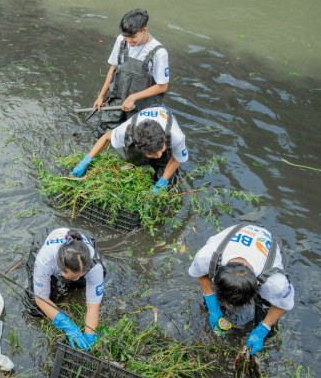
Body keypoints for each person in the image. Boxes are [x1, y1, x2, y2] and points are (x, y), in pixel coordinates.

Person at [188, 223, 295, 356]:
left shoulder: (275, 283)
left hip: (268, 244)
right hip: (239, 231)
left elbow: (283, 304)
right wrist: (212, 305)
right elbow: (201, 274)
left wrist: (263, 329)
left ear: (257, 286)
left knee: (268, 325)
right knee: (211, 301)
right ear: (215, 279)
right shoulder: (206, 257)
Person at [70, 105, 188, 193]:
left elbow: (177, 158)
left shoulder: (176, 136)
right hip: (141, 121)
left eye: (161, 150)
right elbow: (106, 137)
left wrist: (162, 182)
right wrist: (86, 160)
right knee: (128, 158)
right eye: (153, 154)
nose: (158, 155)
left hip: (163, 117)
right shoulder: (125, 131)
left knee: (169, 182)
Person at [92, 9, 169, 139]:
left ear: (144, 30)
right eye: (126, 37)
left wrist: (133, 97)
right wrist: (101, 96)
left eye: (133, 37)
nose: (129, 41)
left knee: (137, 139)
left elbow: (162, 86)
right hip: (119, 98)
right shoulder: (121, 40)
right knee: (102, 133)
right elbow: (113, 68)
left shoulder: (158, 53)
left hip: (142, 105)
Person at [26, 228, 105, 351]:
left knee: (81, 283)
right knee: (35, 308)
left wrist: (90, 335)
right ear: (60, 268)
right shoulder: (44, 261)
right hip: (44, 243)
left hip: (78, 244)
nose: (77, 278)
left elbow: (93, 306)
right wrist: (66, 324)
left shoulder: (94, 265)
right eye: (72, 276)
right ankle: (62, 278)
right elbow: (41, 299)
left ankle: (76, 275)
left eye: (80, 275)